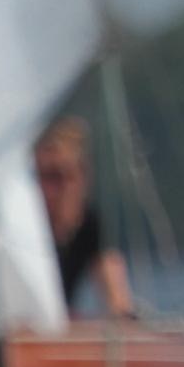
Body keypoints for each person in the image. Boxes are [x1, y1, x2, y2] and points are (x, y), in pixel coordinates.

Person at [34, 118, 136, 317]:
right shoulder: (21, 227)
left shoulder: (89, 225)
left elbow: (117, 298)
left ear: (83, 176)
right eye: (45, 176)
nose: (55, 189)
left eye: (64, 175)